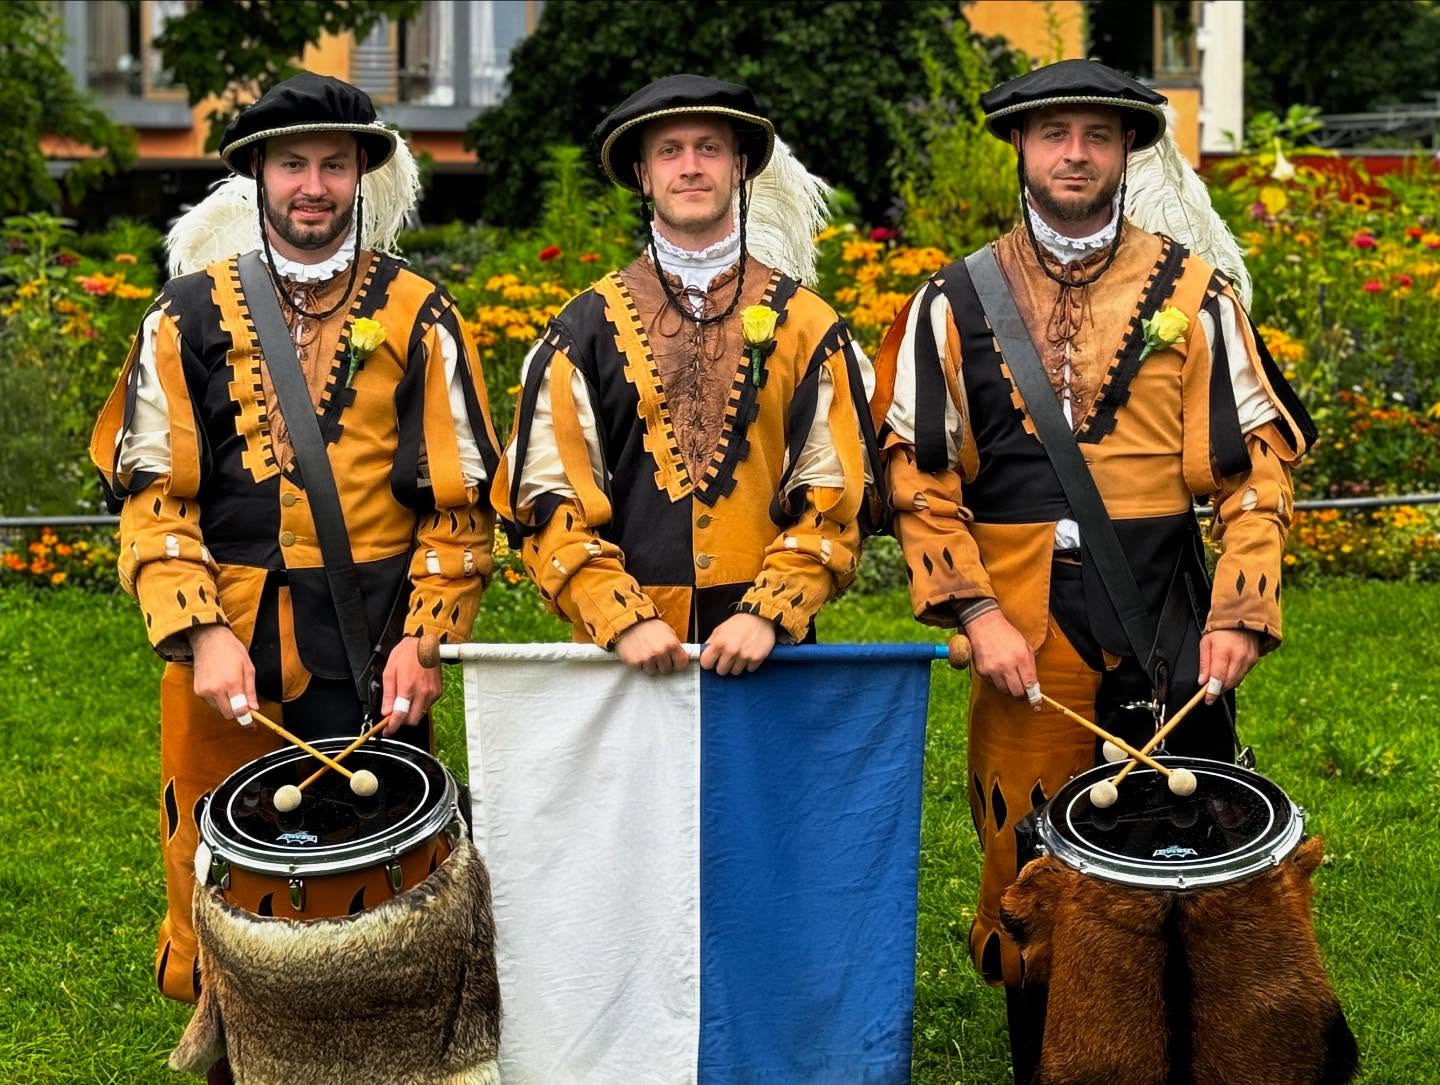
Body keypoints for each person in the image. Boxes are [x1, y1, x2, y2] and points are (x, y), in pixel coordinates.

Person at [869, 59, 1314, 1079]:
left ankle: (1194, 1048)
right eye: (1054, 133)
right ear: (1021, 149)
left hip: (1165, 605)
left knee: (1186, 843)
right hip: (1020, 619)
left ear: (1127, 152)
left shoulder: (1196, 293)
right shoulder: (951, 300)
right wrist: (974, 610)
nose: (1075, 152)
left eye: (1098, 136)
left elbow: (1255, 467)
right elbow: (919, 478)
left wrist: (1242, 606)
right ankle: (1049, 1061)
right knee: (1034, 856)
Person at [89, 73, 500, 1024]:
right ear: (258, 177)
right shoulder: (183, 315)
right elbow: (155, 496)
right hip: (228, 649)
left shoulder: (420, 316)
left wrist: (424, 639)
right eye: (291, 165)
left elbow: (461, 504)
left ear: (361, 174)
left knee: (382, 884)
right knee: (221, 886)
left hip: (374, 654)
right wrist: (200, 634)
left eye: (332, 164)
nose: (312, 185)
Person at [494, 74, 881, 672]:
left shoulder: (809, 324)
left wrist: (769, 611)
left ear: (741, 167)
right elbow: (550, 497)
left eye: (709, 148)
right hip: (621, 660)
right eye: (669, 151)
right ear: (645, 177)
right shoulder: (582, 328)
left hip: (769, 658)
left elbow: (834, 495)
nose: (691, 167)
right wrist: (619, 617)